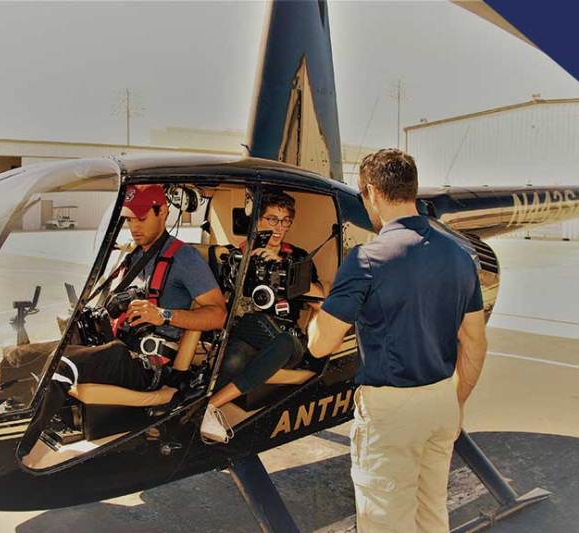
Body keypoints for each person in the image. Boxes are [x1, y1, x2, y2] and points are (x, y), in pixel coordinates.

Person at [307, 149, 487, 533]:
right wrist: (455, 403)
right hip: (441, 400)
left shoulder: (366, 260)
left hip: (392, 412)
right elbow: (474, 340)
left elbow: (320, 346)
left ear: (371, 192)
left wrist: (316, 312)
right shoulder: (459, 255)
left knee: (386, 522)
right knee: (431, 515)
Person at [20, 184, 226, 455]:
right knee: (22, 356)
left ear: (162, 212)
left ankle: (18, 453)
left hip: (145, 364)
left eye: (141, 219)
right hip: (115, 346)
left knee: (61, 366)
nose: (134, 227)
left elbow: (218, 315)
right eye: (130, 220)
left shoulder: (184, 258)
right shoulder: (135, 254)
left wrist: (163, 315)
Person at [200, 190, 324, 443]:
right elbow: (220, 303)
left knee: (284, 341)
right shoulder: (237, 255)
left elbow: (320, 299)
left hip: (287, 341)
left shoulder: (298, 257)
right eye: (271, 219)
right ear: (257, 221)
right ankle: (201, 411)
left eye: (284, 220)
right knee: (234, 357)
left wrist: (281, 267)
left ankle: (208, 406)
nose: (278, 227)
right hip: (247, 332)